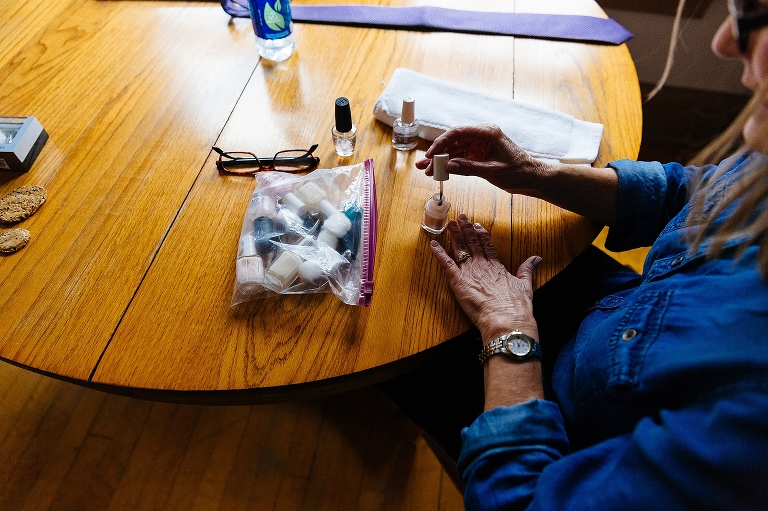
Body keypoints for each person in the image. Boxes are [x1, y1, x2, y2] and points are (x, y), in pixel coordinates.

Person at [379, 1, 768, 509]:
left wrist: (509, 331)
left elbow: (523, 500)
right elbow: (692, 194)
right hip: (619, 324)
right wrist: (535, 173)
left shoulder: (749, 423)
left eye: (752, 14)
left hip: (568, 419)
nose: (722, 42)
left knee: (403, 351)